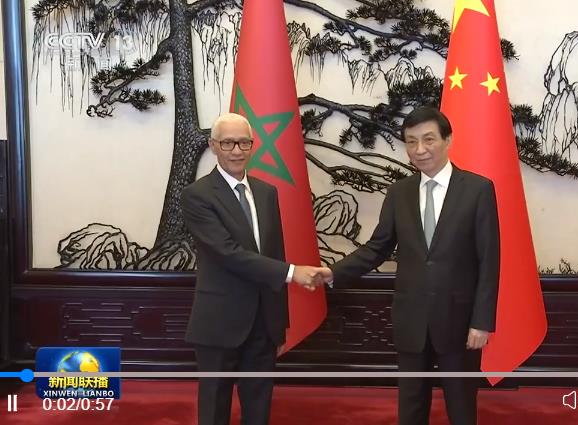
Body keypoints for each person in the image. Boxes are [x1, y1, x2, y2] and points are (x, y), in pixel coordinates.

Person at [317, 106, 500, 425]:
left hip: (459, 323)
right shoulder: (399, 193)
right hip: (411, 321)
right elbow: (377, 247)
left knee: (461, 408)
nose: (420, 149)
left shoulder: (478, 190)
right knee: (411, 409)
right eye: (411, 141)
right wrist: (333, 272)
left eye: (429, 139)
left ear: (447, 140)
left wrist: (481, 322)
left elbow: (489, 260)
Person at [181, 113, 328, 425]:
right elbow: (228, 253)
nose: (237, 151)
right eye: (228, 143)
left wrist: (279, 321)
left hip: (264, 322)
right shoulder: (197, 195)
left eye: (244, 142)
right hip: (219, 321)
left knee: (259, 407)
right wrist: (293, 273)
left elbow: (274, 252)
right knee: (214, 408)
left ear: (253, 145)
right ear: (213, 146)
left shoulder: (266, 192)